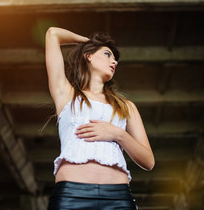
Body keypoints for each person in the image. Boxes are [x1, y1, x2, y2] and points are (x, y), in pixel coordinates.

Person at [45, 27, 155, 209]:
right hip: (71, 195)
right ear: (88, 56)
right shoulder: (65, 94)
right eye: (107, 54)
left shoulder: (126, 107)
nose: (114, 62)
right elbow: (52, 34)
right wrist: (89, 42)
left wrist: (118, 134)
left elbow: (149, 161)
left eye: (115, 59)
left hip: (117, 198)